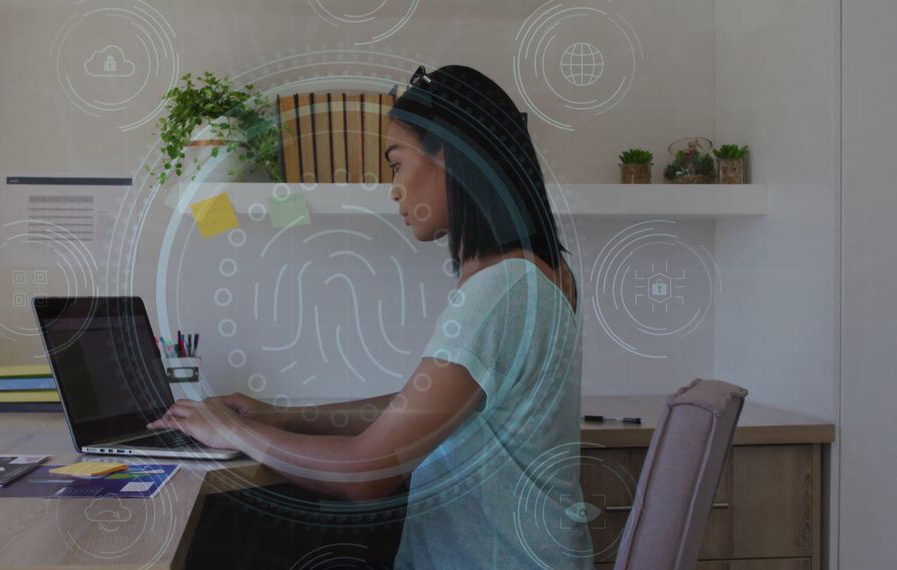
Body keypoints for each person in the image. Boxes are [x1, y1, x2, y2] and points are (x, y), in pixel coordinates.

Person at [149, 64, 595, 569]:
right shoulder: (541, 274)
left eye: (397, 163)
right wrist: (278, 416)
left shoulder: (502, 290)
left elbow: (366, 473)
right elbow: (425, 408)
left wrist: (232, 433)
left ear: (451, 154)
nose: (395, 189)